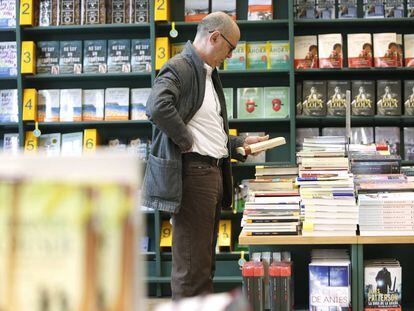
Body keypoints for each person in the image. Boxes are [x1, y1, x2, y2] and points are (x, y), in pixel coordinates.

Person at [142, 12, 268, 300]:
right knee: (191, 267)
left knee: (202, 265)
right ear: (214, 37)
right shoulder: (182, 66)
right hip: (194, 176)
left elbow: (209, 130)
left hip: (209, 175)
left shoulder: (207, 74)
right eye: (231, 48)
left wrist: (239, 142)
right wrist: (185, 140)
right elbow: (157, 106)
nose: (231, 55)